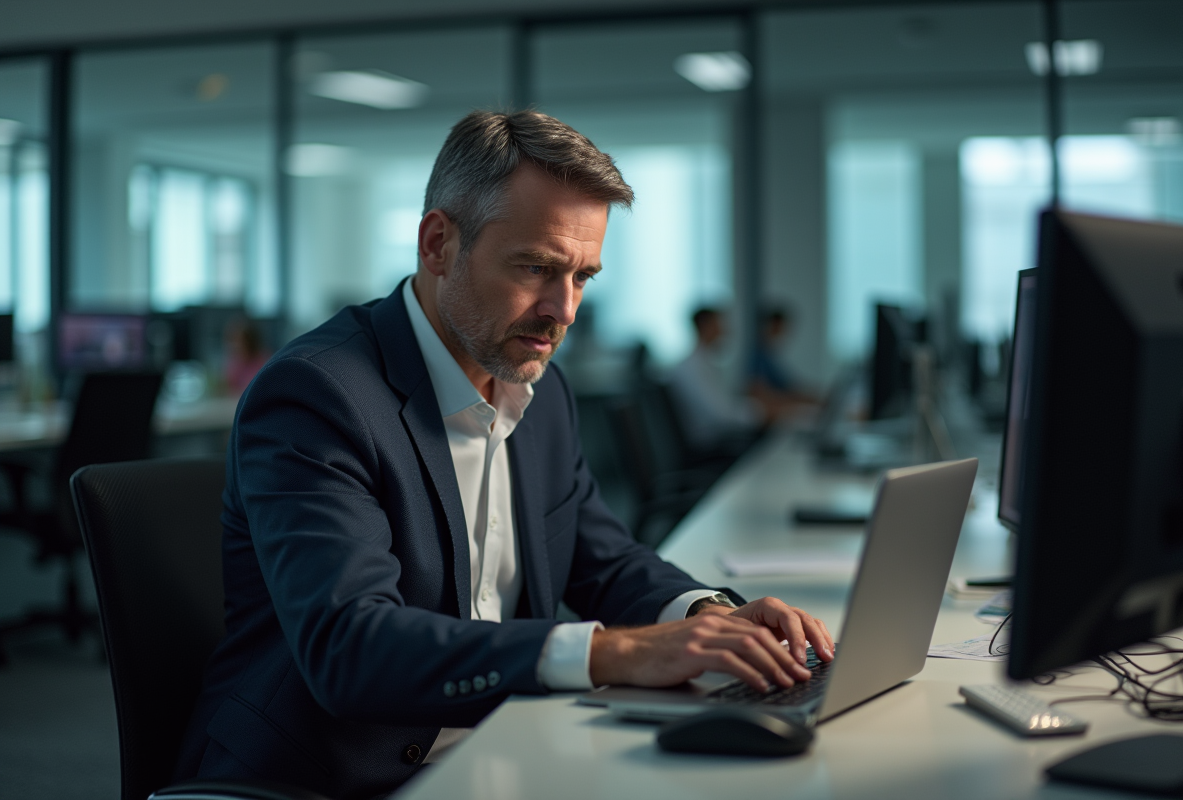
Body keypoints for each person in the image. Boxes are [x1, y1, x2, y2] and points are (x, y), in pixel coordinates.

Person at [174, 110, 833, 800]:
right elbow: (350, 648)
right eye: (537, 267)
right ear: (438, 244)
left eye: (583, 277)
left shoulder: (539, 388)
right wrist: (613, 652)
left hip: (503, 750)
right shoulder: (319, 395)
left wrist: (702, 616)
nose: (564, 309)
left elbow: (602, 557)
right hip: (334, 775)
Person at [668, 307, 766, 457]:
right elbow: (722, 414)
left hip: (718, 438)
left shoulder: (705, 363)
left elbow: (724, 406)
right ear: (706, 326)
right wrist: (763, 412)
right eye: (720, 323)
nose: (725, 329)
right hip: (709, 446)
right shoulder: (693, 368)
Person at [747, 307, 820, 408]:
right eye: (778, 327)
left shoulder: (769, 357)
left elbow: (789, 386)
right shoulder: (757, 356)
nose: (781, 332)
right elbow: (759, 393)